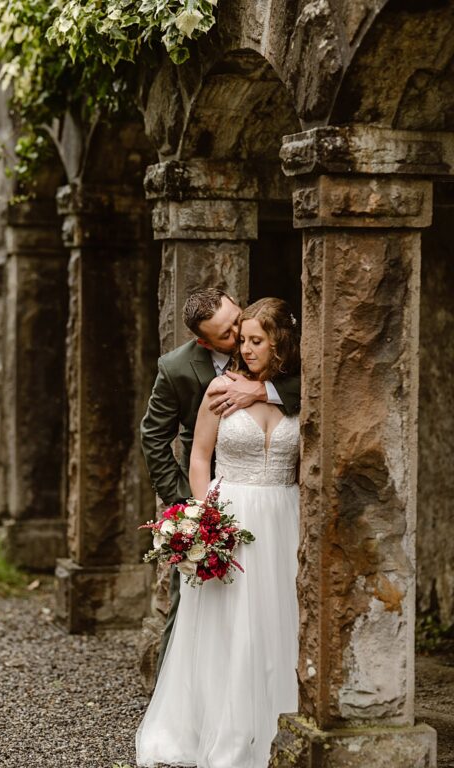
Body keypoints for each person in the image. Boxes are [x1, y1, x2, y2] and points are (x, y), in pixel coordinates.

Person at [135, 297, 301, 768]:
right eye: (235, 338)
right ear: (205, 340)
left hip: (284, 513)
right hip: (232, 513)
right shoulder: (213, 385)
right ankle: (220, 727)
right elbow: (196, 456)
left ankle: (277, 719)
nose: (243, 348)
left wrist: (264, 393)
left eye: (251, 338)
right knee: (226, 624)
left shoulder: (296, 384)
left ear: (276, 341)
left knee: (278, 616)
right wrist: (198, 518)